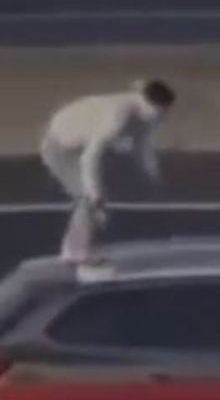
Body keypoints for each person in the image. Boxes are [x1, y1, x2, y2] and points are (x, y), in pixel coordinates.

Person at [40, 80, 175, 266]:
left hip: (84, 141)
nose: (162, 118)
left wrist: (154, 176)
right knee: (87, 197)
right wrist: (95, 194)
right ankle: (74, 253)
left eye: (165, 112)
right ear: (148, 104)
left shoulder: (145, 114)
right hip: (62, 147)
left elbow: (140, 147)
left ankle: (82, 239)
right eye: (159, 112)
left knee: (99, 187)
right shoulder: (118, 118)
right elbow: (89, 158)